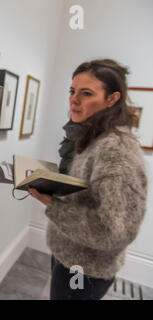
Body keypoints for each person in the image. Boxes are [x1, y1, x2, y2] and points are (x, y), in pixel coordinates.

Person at [29, 59, 147, 300]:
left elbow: (114, 232)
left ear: (112, 99)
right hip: (72, 255)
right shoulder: (95, 137)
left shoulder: (115, 151)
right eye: (72, 91)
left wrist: (52, 204)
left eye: (87, 93)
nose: (74, 99)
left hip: (85, 270)